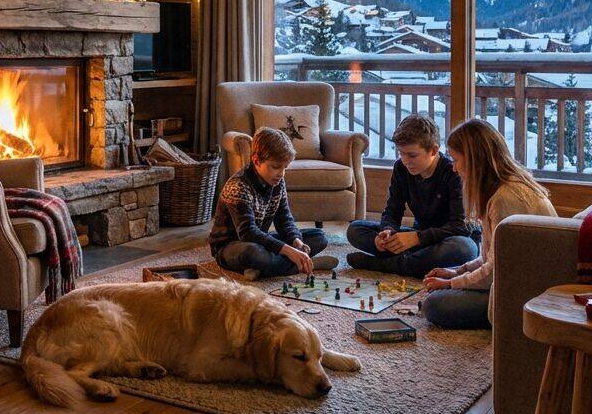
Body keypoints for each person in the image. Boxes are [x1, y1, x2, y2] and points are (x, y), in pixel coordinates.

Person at [421, 118, 557, 330]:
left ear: (475, 160)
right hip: (513, 281)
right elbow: (491, 257)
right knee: (440, 296)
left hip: (528, 292)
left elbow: (494, 272)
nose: (454, 169)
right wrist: (457, 271)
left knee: (435, 305)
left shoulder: (505, 199)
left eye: (456, 160)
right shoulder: (500, 189)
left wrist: (450, 283)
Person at [344, 115, 477, 277]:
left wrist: (417, 238)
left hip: (446, 239)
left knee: (465, 248)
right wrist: (388, 231)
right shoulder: (401, 168)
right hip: (418, 239)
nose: (406, 161)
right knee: (355, 229)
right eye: (401, 153)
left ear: (434, 150)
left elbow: (460, 227)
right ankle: (412, 262)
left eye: (412, 155)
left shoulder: (454, 172)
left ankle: (383, 264)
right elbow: (392, 211)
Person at [209, 127, 334, 280]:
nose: (281, 173)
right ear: (256, 161)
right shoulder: (238, 186)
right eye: (275, 167)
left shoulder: (277, 181)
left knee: (319, 237)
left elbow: (284, 219)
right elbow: (248, 233)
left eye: (284, 168)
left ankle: (264, 269)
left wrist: (296, 241)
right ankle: (302, 265)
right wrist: (289, 251)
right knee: (253, 253)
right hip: (233, 246)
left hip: (259, 241)